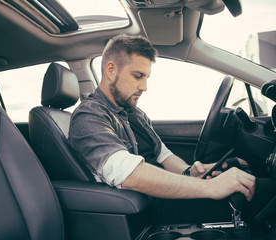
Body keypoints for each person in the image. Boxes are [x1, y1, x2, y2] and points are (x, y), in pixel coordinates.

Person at [69, 34, 258, 223]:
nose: (144, 87)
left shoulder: (134, 113)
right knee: (262, 197)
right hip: (150, 209)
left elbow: (163, 155)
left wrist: (189, 172)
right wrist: (212, 187)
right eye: (137, 76)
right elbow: (128, 175)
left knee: (252, 183)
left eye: (146, 77)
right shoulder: (88, 116)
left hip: (166, 199)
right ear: (111, 70)